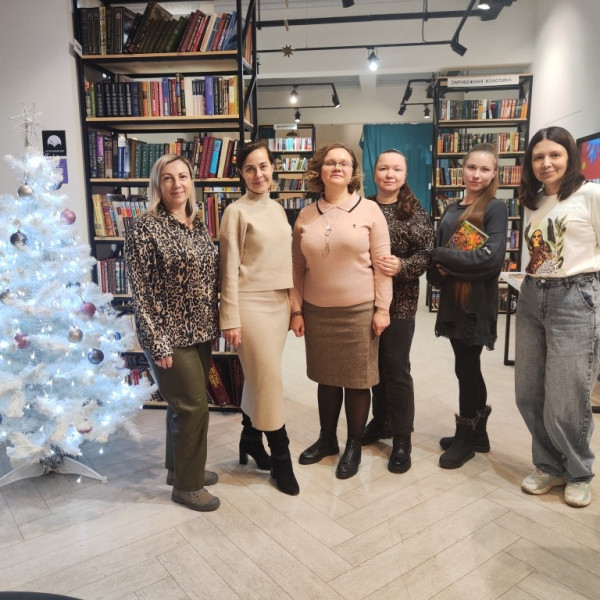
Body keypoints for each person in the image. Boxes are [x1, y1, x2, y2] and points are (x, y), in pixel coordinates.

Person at [291, 142, 392, 479]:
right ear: (319, 170)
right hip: (317, 312)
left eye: (344, 163)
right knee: (327, 378)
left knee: (357, 380)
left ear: (353, 172)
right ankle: (327, 439)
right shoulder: (305, 215)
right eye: (330, 162)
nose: (337, 167)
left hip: (359, 311)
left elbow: (382, 266)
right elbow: (296, 267)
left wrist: (382, 309)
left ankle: (353, 444)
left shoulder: (370, 211)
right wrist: (296, 310)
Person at [125, 154, 220, 512]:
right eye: (168, 178)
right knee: (193, 407)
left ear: (191, 182)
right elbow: (142, 293)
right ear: (157, 185)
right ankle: (188, 487)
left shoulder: (198, 224)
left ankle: (179, 469)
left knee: (183, 405)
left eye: (183, 176)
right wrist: (157, 342)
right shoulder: (144, 228)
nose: (177, 184)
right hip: (168, 335)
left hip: (201, 331)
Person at [515, 126, 600, 508]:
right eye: (538, 157)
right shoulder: (533, 201)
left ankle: (578, 471)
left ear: (570, 157)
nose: (546, 163)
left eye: (554, 155)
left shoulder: (590, 194)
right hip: (533, 296)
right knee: (528, 392)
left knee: (568, 395)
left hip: (575, 298)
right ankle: (549, 465)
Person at [219, 140, 300, 496]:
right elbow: (228, 268)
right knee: (269, 381)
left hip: (279, 305)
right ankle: (281, 456)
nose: (258, 174)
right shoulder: (235, 212)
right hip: (250, 305)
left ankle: (250, 437)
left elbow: (287, 263)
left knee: (258, 378)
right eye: (250, 168)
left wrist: (295, 308)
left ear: (272, 168)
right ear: (241, 173)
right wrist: (230, 317)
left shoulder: (279, 210)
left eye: (263, 166)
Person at [426, 143, 508, 469]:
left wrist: (441, 258)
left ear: (494, 173)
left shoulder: (495, 208)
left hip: (476, 303)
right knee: (466, 366)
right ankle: (479, 434)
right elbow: (437, 256)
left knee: (467, 367)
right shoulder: (451, 207)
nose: (477, 174)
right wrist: (438, 266)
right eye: (472, 167)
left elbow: (489, 261)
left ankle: (465, 438)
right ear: (463, 168)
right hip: (452, 301)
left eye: (485, 169)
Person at [361, 149, 434, 474]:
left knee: (396, 367)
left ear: (404, 175)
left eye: (396, 169)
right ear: (374, 172)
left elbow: (426, 254)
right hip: (364, 300)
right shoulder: (363, 206)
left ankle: (402, 437)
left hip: (400, 302)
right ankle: (381, 421)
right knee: (374, 366)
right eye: (383, 168)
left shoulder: (415, 211)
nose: (389, 174)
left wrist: (402, 266)